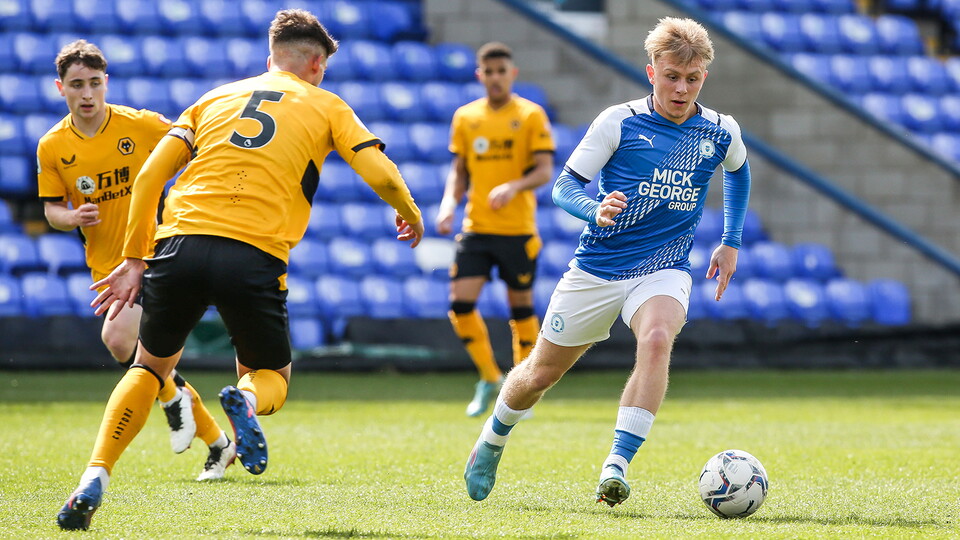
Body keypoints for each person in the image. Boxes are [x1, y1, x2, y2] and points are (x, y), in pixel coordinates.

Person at [56, 9, 423, 531]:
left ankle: (94, 477)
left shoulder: (214, 98)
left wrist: (135, 257)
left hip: (178, 243)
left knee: (149, 368)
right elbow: (380, 173)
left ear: (269, 57)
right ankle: (245, 400)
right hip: (253, 253)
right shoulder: (327, 104)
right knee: (270, 376)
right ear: (316, 64)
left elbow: (149, 179)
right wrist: (410, 212)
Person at [463, 17, 752, 507]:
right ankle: (492, 439)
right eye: (672, 77)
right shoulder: (618, 121)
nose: (682, 88)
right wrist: (592, 208)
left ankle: (615, 467)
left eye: (693, 77)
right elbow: (563, 186)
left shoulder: (720, 130)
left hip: (663, 268)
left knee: (658, 339)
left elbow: (739, 173)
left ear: (704, 75)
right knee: (538, 375)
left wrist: (730, 241)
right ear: (651, 72)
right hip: (597, 269)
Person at [37, 40, 235, 482]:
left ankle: (171, 406)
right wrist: (71, 215)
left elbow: (195, 147)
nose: (86, 93)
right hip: (107, 267)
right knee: (141, 355)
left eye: (93, 83)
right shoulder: (52, 147)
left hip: (156, 252)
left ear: (105, 83)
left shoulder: (141, 126)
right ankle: (215, 441)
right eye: (76, 85)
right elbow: (51, 210)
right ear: (60, 88)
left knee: (118, 338)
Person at [435, 42, 555, 417]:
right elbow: (459, 170)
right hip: (476, 228)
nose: (496, 78)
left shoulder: (531, 115)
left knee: (520, 308)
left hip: (517, 230)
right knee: (460, 305)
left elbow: (544, 170)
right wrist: (447, 206)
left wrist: (513, 186)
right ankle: (489, 377)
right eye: (489, 72)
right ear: (480, 75)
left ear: (512, 74)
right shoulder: (466, 118)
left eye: (502, 71)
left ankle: (522, 387)